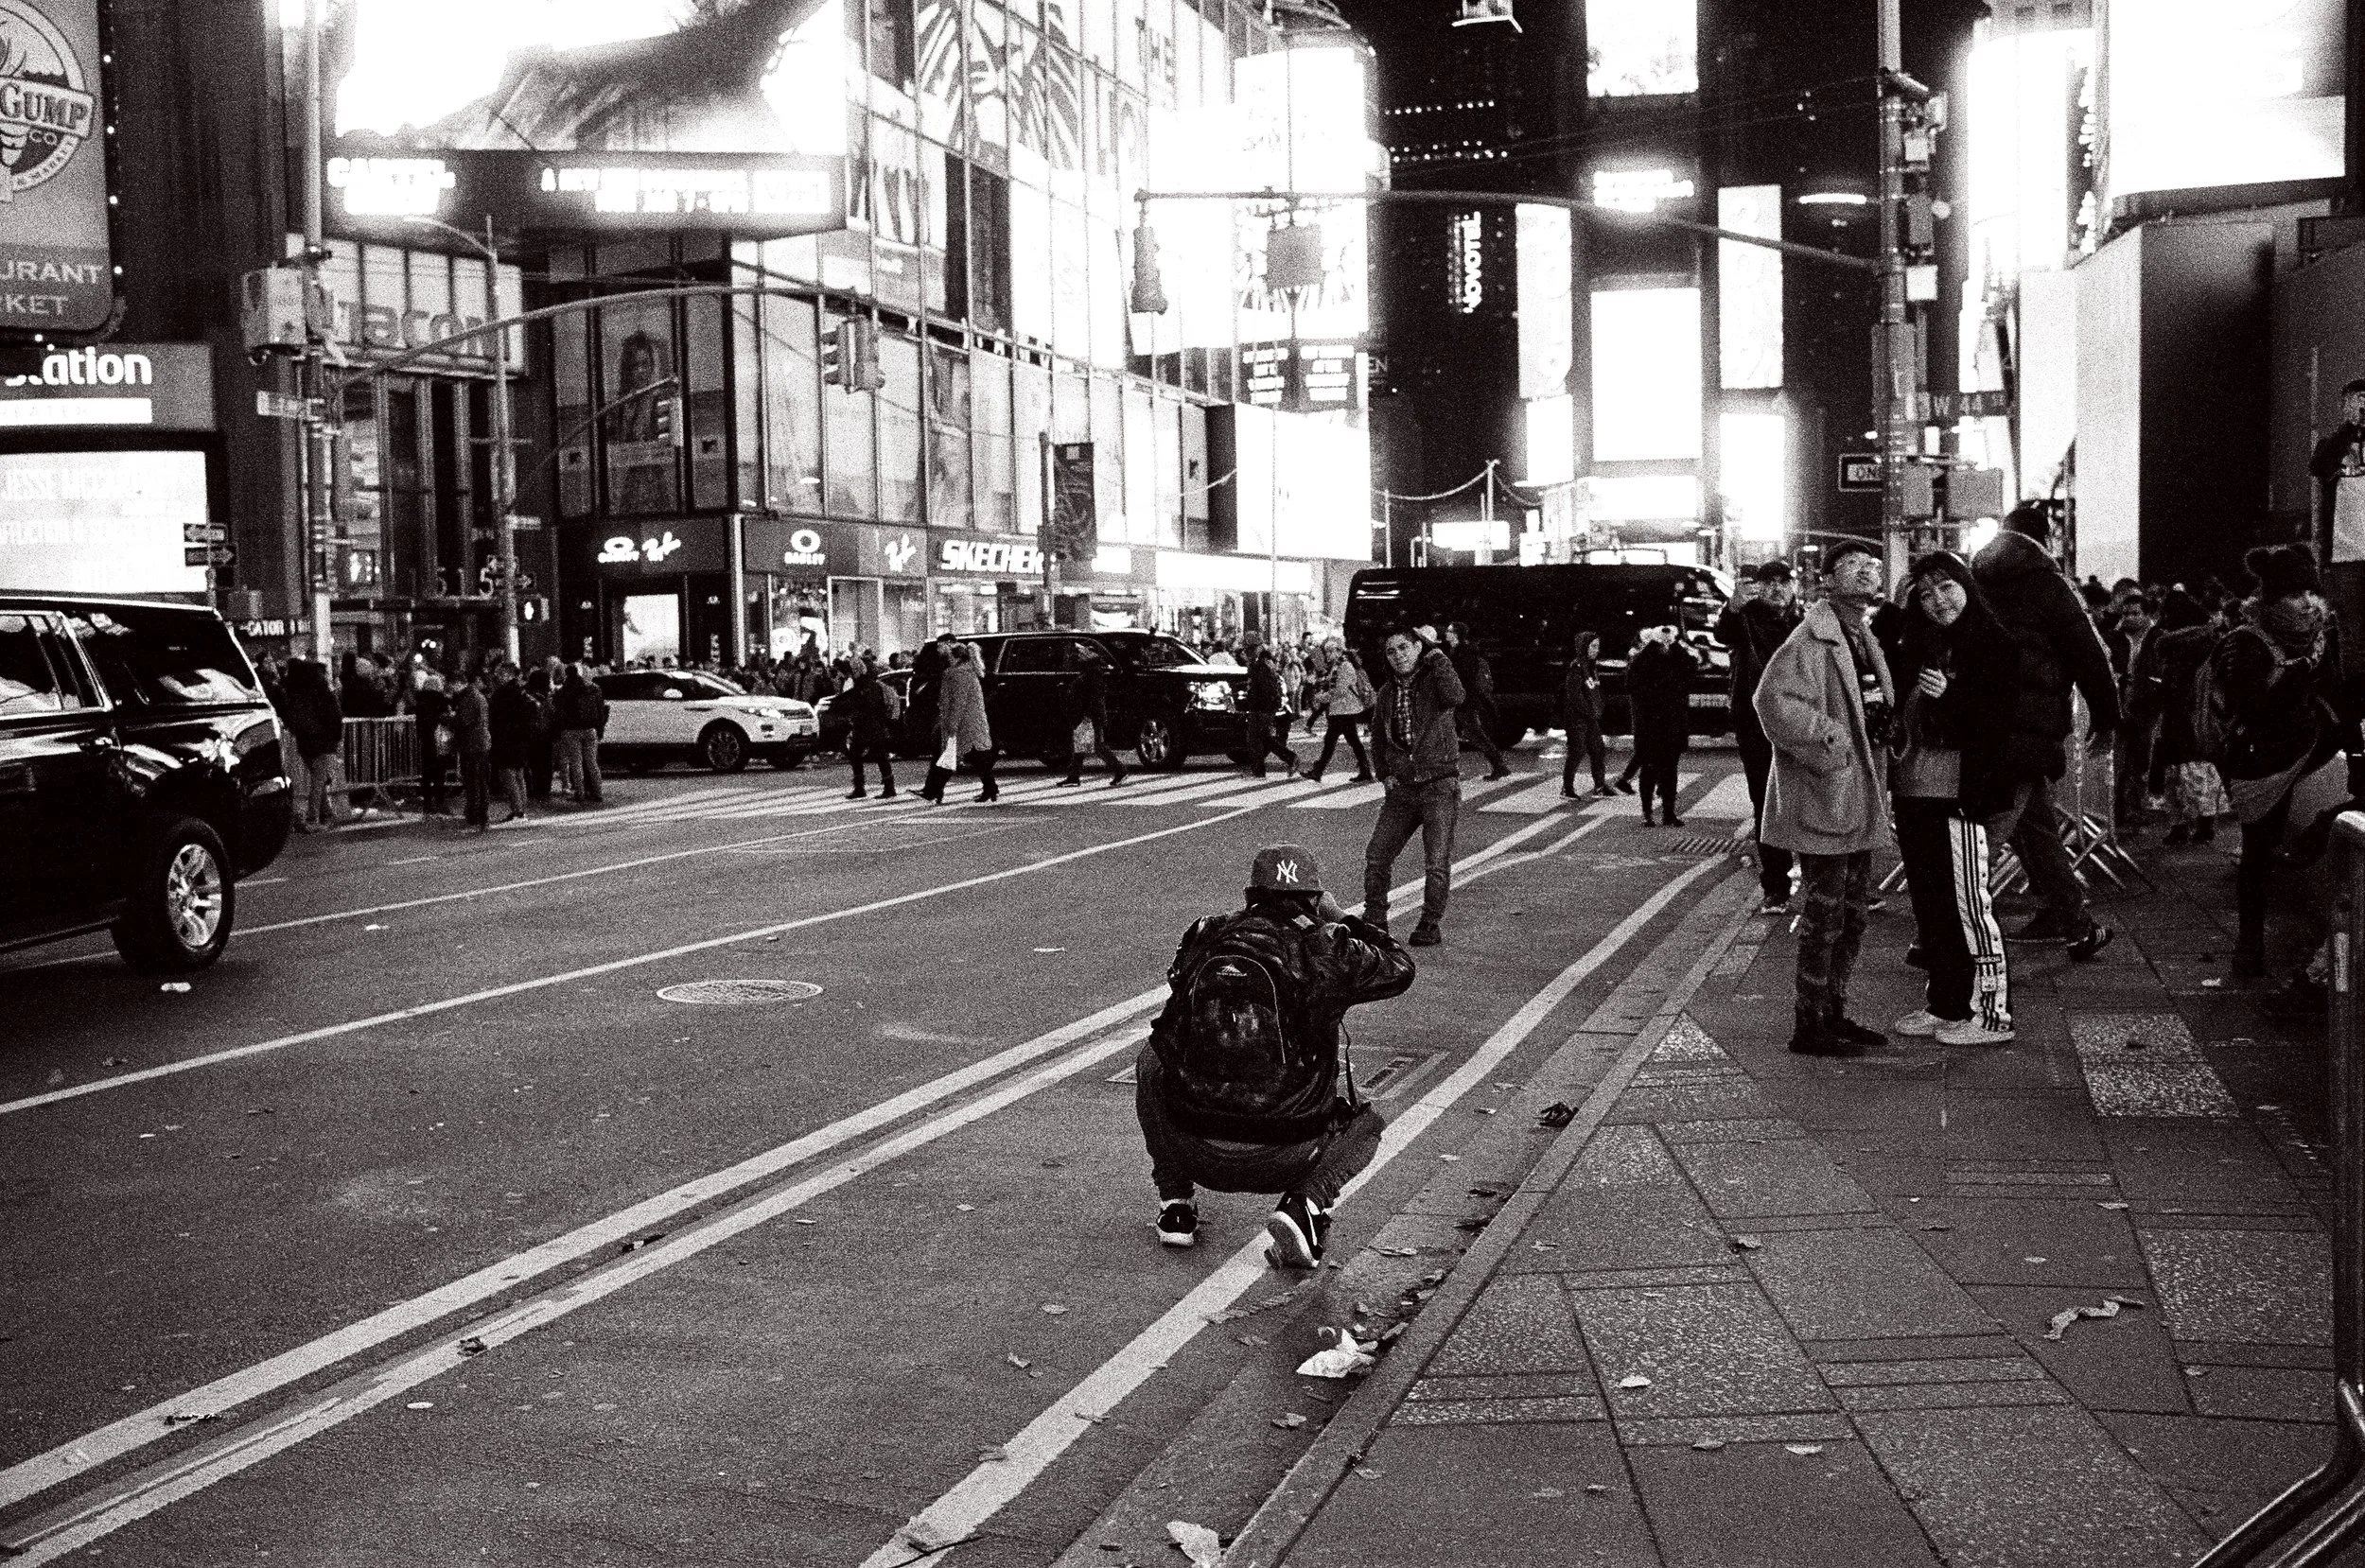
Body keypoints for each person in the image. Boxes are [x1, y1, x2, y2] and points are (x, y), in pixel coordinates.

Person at [1135, 844, 1414, 1265]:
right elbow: (1401, 966)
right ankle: (1307, 1204)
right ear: (1315, 899)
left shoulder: (1207, 932)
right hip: (1287, 1154)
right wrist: (1342, 919)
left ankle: (1175, 1203)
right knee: (1367, 1126)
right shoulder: (1329, 947)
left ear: (1251, 893)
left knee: (1153, 1058)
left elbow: (1173, 1010)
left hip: (1191, 1145)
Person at [1754, 538, 1896, 1057]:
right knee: (1824, 914)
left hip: (1858, 791)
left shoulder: (1861, 633)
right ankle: (1808, 1023)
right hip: (1825, 793)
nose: (1866, 573)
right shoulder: (1808, 641)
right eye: (1853, 566)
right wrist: (1831, 741)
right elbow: (1773, 703)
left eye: (1872, 566)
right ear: (1828, 580)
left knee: (1853, 912)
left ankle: (1834, 1010)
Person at [1971, 502, 2119, 961]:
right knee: (1987, 837)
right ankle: (1944, 934)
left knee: (2035, 827)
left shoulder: (1976, 575)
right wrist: (2107, 715)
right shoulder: (2046, 579)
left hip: (1985, 721)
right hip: (2028, 727)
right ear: (2044, 538)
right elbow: (2088, 651)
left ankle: (2073, 922)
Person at [1887, 551, 2022, 1046]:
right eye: (1924, 593)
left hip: (1960, 793)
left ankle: (1991, 1016)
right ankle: (1944, 1004)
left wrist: (1952, 696)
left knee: (1969, 906)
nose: (1937, 600)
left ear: (1965, 584)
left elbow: (2000, 724)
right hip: (1914, 788)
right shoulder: (1920, 642)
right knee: (1931, 905)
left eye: (1946, 587)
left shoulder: (1993, 644)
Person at [2214, 545, 2346, 980]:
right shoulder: (2245, 641)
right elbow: (2247, 707)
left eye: (2311, 590)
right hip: (2262, 762)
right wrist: (2294, 679)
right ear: (2271, 598)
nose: (2307, 601)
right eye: (2293, 593)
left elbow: (2337, 692)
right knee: (2257, 853)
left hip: (2313, 751)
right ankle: (2249, 944)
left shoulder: (2324, 634)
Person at [1363, 627, 1466, 948]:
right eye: (1391, 651)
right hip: (1404, 789)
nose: (1398, 656)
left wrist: (1437, 655)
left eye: (1405, 648)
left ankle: (1429, 923)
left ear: (1419, 648)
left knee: (1436, 863)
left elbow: (1456, 697)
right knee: (1377, 856)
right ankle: (1376, 918)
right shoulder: (1386, 693)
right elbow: (1378, 738)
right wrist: (1384, 774)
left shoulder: (1435, 681)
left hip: (1438, 784)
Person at [1718, 561, 1806, 911]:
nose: (1776, 588)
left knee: (1805, 797)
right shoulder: (1745, 619)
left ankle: (1819, 879)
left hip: (1798, 721)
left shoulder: (1801, 624)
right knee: (1766, 802)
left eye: (1784, 582)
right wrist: (1733, 606)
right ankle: (1776, 885)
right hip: (1755, 722)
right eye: (1769, 582)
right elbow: (1723, 633)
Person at [2141, 591, 2224, 845]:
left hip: (2177, 717)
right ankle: (2205, 823)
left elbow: (2173, 684)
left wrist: (2158, 691)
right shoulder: (2210, 643)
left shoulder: (2174, 647)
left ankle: (2179, 826)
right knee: (2199, 771)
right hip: (2203, 718)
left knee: (2175, 774)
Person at [1626, 624, 1695, 827]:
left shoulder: (1676, 659)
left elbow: (1691, 668)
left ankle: (1668, 813)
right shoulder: (1643, 661)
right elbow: (1633, 679)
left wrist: (1674, 645)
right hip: (1649, 726)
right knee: (1648, 769)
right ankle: (1647, 813)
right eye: (1660, 641)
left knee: (1669, 771)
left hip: (1671, 726)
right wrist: (1654, 644)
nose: (1664, 644)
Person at [921, 641, 997, 804]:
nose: (947, 659)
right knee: (974, 758)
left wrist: (952, 723)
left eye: (949, 656)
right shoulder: (968, 671)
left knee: (949, 757)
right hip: (972, 722)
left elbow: (958, 702)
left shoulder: (957, 674)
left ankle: (934, 791)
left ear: (954, 657)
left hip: (964, 723)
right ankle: (990, 788)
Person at [1444, 622, 1513, 781]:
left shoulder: (1465, 653)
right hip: (1459, 699)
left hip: (1465, 701)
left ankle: (1499, 765)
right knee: (1460, 733)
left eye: (1449, 631)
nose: (1446, 633)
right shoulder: (1455, 651)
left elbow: (1466, 677)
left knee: (1474, 734)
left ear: (1457, 634)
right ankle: (1498, 766)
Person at [282, 658, 345, 831]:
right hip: (322, 741)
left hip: (305, 741)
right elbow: (334, 717)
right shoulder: (323, 694)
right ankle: (312, 818)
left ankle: (328, 814)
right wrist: (334, 739)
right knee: (318, 781)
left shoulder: (295, 694)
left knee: (319, 779)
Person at [1058, 645, 1130, 787]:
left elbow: (1095, 697)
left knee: (1098, 746)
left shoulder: (1094, 672)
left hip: (1091, 715)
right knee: (1080, 745)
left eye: (1084, 652)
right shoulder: (1089, 670)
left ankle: (1120, 770)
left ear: (1092, 655)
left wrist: (1087, 715)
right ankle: (1074, 776)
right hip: (1087, 713)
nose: (1080, 654)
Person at [1306, 641, 1375, 783]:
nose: (1328, 654)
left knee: (1331, 741)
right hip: (1341, 710)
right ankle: (1365, 771)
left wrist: (1321, 698)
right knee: (1352, 741)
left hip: (1344, 710)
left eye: (1331, 651)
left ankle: (1317, 771)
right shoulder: (1337, 666)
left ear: (1338, 651)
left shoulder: (1345, 666)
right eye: (1327, 652)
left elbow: (1339, 691)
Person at [1556, 632, 1611, 798]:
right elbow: (1574, 695)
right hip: (1576, 717)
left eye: (1598, 646)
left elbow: (1594, 691)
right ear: (1583, 646)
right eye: (1593, 646)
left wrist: (1597, 708)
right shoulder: (1577, 667)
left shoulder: (1590, 666)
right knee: (1577, 751)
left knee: (1598, 749)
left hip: (1590, 716)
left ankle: (1600, 787)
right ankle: (1567, 788)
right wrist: (1589, 711)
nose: (1596, 650)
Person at [487, 661, 538, 823]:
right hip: (521, 738)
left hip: (506, 739)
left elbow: (496, 717)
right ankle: (521, 808)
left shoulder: (503, 694)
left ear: (509, 675)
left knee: (507, 773)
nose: (498, 677)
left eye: (501, 674)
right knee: (518, 773)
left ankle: (517, 810)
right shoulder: (522, 692)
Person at [843, 656, 901, 799]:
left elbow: (869, 706)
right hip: (868, 726)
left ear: (862, 670)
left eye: (856, 669)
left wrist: (855, 715)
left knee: (874, 756)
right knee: (867, 756)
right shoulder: (863, 684)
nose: (853, 672)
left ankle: (877, 788)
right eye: (852, 669)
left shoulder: (868, 686)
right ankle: (879, 787)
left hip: (870, 725)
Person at [552, 662, 607, 804]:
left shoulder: (563, 691)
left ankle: (580, 793)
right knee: (592, 762)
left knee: (576, 762)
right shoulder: (593, 689)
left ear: (566, 674)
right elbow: (600, 711)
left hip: (571, 730)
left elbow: (558, 712)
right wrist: (600, 729)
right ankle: (598, 792)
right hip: (590, 729)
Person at [1244, 645, 1301, 777]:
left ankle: (1262, 770)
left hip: (1261, 708)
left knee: (1256, 739)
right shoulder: (1264, 668)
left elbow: (1264, 690)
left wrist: (1259, 705)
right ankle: (1287, 759)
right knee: (1263, 738)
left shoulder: (1260, 669)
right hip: (1263, 708)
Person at [453, 668, 493, 830]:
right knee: (480, 780)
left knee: (473, 781)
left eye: (453, 685)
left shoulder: (469, 698)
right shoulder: (478, 696)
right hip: (481, 742)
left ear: (459, 683)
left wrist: (448, 719)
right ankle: (481, 814)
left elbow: (464, 721)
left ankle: (476, 815)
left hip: (472, 744)